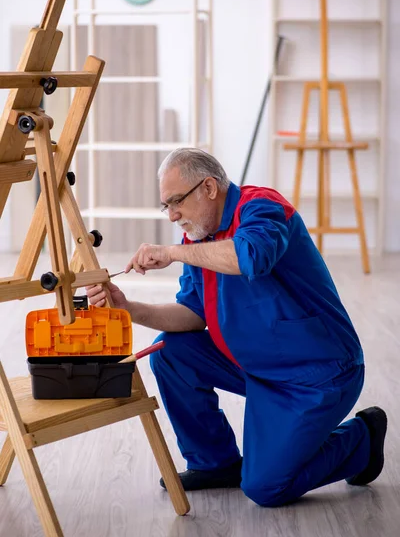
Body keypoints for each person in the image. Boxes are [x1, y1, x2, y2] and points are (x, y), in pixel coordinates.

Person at [86, 147, 387, 507]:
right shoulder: (197, 237)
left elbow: (251, 256)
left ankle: (362, 440)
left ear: (210, 188)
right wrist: (128, 308)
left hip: (316, 373)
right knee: (172, 352)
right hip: (256, 365)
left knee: (265, 488)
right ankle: (216, 463)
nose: (172, 216)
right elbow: (193, 314)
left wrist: (172, 253)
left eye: (176, 202)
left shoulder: (262, 206)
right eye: (166, 206)